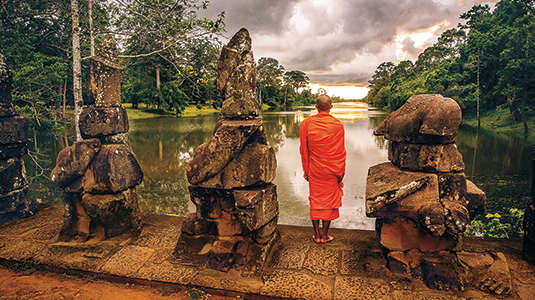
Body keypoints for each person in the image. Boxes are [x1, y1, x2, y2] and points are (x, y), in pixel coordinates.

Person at [299, 94, 346, 243]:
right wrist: (341, 173)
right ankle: (325, 235)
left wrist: (306, 170)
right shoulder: (338, 125)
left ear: (316, 107)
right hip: (332, 170)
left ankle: (316, 235)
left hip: (315, 170)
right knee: (328, 203)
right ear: (331, 107)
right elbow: (341, 152)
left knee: (316, 201)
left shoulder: (306, 123)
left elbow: (303, 149)